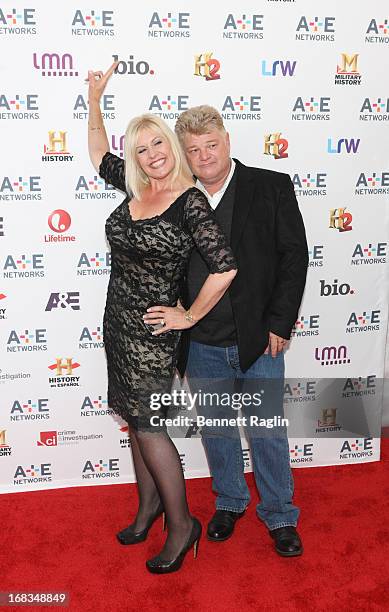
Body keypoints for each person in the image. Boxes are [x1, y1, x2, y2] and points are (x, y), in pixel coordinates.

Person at [87, 66, 237, 574]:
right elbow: (94, 151)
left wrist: (187, 315)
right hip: (118, 327)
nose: (152, 155)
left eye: (158, 144)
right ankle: (149, 508)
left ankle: (182, 524)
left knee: (150, 428)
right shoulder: (132, 185)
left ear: (173, 145)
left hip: (154, 336)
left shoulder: (189, 200)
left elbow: (226, 266)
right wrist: (94, 99)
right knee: (135, 422)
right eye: (141, 149)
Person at [173, 105, 308, 557]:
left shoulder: (270, 186)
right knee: (217, 430)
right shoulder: (178, 197)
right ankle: (230, 501)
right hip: (201, 344)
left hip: (259, 340)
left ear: (227, 141)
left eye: (211, 145)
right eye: (194, 149)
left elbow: (294, 257)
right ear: (185, 154)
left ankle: (280, 514)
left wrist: (280, 321)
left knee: (266, 429)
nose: (204, 155)